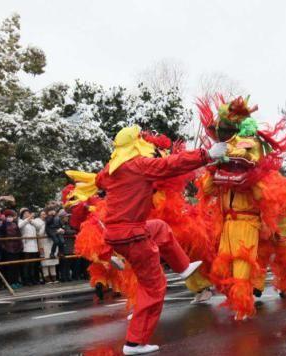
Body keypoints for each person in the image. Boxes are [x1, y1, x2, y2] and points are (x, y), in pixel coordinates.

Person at [96, 125, 226, 355]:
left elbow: (99, 181)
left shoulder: (109, 170)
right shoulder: (138, 166)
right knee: (154, 286)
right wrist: (206, 155)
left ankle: (183, 267)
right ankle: (135, 342)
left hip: (119, 233)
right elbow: (170, 165)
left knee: (159, 227)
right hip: (132, 236)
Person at [196, 96, 286, 319]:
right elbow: (207, 190)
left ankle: (259, 296)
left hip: (249, 221)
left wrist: (253, 186)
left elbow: (266, 198)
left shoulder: (265, 176)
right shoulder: (222, 169)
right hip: (228, 224)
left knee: (271, 253)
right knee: (228, 263)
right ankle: (248, 289)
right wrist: (213, 172)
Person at [18, 208, 44, 285]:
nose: (27, 214)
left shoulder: (31, 222)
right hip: (26, 245)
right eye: (25, 213)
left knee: (33, 264)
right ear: (22, 215)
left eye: (28, 213)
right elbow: (19, 226)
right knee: (27, 264)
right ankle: (26, 280)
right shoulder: (21, 221)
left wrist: (32, 220)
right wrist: (28, 219)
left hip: (34, 245)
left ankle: (33, 279)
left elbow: (39, 226)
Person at [0, 209, 24, 288]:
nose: (10, 218)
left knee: (16, 265)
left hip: (16, 247)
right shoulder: (3, 224)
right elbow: (0, 231)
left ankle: (16, 281)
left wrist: (21, 245)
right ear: (5, 217)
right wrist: (3, 246)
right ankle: (11, 282)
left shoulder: (15, 224)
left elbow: (19, 235)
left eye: (11, 216)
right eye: (8, 216)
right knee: (10, 266)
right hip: (8, 248)